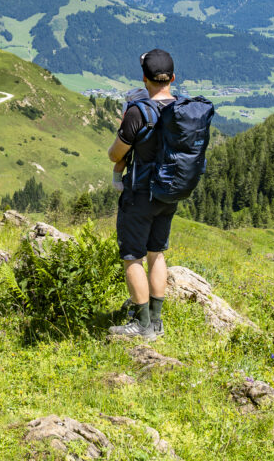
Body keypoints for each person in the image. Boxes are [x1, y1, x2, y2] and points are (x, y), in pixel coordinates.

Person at [106, 49, 178, 340]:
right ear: (172, 78)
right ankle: (157, 321)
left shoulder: (139, 111)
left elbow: (115, 154)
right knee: (156, 252)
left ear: (145, 78)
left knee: (132, 257)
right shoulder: (182, 109)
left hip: (140, 194)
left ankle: (142, 323)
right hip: (169, 193)